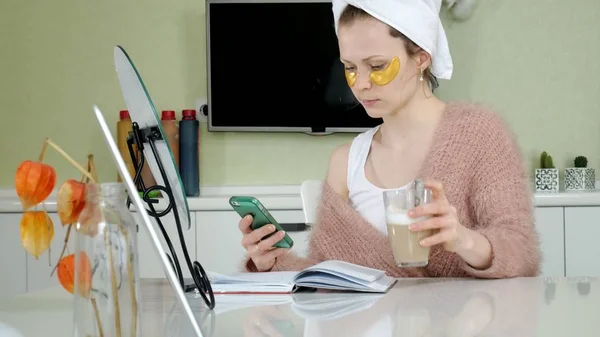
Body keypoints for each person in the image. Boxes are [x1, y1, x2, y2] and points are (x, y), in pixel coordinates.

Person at [237, 0, 541, 278]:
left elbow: (522, 254)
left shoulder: (480, 134)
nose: (362, 84)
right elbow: (326, 276)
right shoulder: (345, 162)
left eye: (378, 66)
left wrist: (463, 239)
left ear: (421, 57)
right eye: (350, 68)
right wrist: (272, 262)